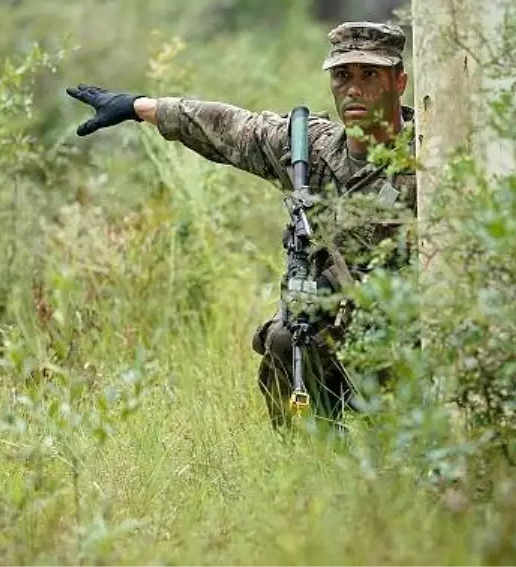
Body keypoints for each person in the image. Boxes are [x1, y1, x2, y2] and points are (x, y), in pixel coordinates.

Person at [65, 21, 417, 428]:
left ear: (400, 82)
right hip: (330, 328)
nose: (354, 88)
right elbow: (233, 127)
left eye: (370, 74)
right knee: (285, 336)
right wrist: (137, 107)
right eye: (342, 75)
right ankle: (314, 454)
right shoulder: (313, 149)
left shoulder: (429, 155)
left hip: (404, 330)